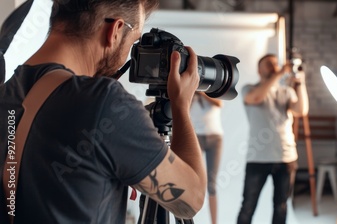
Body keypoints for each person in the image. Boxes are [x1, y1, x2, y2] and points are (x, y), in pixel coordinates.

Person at [0, 0, 207, 223]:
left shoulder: (7, 91)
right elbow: (191, 200)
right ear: (115, 31)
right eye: (134, 40)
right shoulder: (104, 102)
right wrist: (180, 105)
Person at [237, 54, 309, 224]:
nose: (274, 66)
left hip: (286, 157)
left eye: (276, 64)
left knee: (281, 206)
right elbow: (255, 98)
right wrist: (279, 74)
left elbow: (301, 110)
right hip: (258, 158)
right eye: (269, 64)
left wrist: (300, 83)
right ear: (258, 69)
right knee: (248, 206)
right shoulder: (249, 89)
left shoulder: (287, 91)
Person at [190, 92, 224, 224]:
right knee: (192, 179)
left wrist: (201, 92)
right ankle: (187, 218)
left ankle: (214, 222)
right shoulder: (192, 91)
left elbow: (219, 103)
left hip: (215, 138)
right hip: (196, 137)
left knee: (212, 185)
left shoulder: (214, 89)